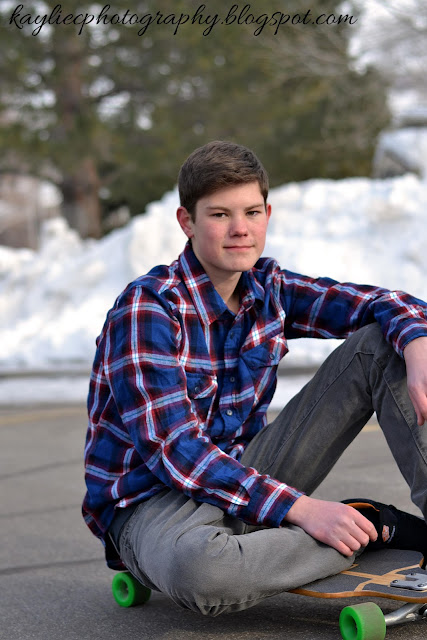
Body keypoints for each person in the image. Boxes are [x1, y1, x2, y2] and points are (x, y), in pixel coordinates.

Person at [83, 141, 427, 616]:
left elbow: (383, 303)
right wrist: (303, 510)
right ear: (187, 222)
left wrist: (417, 342)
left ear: (267, 214)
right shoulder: (148, 309)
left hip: (248, 476)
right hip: (155, 503)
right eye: (220, 214)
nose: (240, 229)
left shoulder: (269, 289)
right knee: (203, 572)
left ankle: (304, 539)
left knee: (386, 342)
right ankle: (370, 528)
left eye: (251, 212)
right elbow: (176, 451)